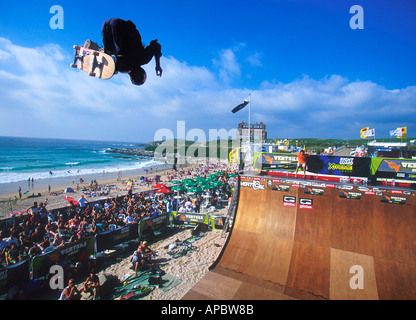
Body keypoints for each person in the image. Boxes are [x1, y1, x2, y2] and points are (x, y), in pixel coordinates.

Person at [98, 18, 163, 86]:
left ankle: (99, 50)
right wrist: (158, 65)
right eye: (136, 76)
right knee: (118, 62)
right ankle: (103, 54)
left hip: (107, 27)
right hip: (119, 27)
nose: (133, 76)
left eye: (133, 78)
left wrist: (158, 66)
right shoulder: (142, 59)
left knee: (115, 60)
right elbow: (156, 45)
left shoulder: (124, 67)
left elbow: (155, 46)